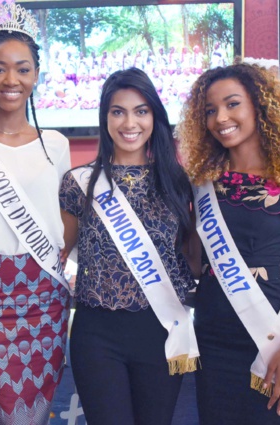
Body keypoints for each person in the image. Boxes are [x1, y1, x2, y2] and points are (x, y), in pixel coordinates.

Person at [175, 62, 280, 424]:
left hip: (272, 337)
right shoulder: (203, 183)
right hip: (213, 334)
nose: (220, 118)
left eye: (232, 104)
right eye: (210, 110)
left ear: (258, 106)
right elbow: (196, 265)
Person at [59, 67, 200, 425]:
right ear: (105, 117)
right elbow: (58, 256)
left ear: (154, 116)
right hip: (97, 334)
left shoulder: (176, 181)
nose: (129, 122)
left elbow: (189, 258)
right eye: (118, 111)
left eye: (141, 110)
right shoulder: (79, 183)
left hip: (161, 330)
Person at [0, 3, 71, 424]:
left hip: (44, 300)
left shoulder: (56, 145)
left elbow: (64, 219)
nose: (11, 80)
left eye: (22, 69)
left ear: (36, 75)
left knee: (34, 413)